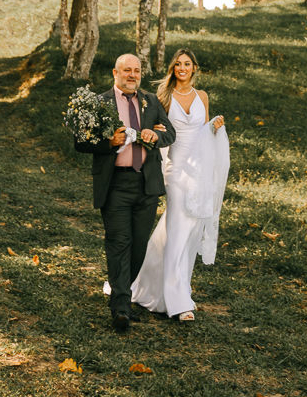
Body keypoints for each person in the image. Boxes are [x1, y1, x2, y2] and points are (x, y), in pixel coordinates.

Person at [74, 52, 176, 333]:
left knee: (139, 246)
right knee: (119, 243)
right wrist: (108, 142)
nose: (132, 75)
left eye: (137, 70)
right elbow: (80, 141)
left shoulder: (151, 101)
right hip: (116, 185)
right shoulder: (99, 102)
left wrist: (157, 136)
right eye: (127, 70)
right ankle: (121, 308)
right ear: (115, 73)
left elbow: (170, 133)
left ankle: (124, 293)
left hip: (146, 186)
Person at [132, 47, 230, 323]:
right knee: (177, 227)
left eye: (187, 64)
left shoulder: (202, 97)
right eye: (178, 64)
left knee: (189, 231)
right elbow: (157, 129)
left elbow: (204, 133)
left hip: (200, 170)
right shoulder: (164, 97)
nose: (182, 68)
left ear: (194, 68)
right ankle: (177, 302)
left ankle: (164, 286)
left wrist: (214, 126)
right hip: (175, 170)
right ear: (173, 69)